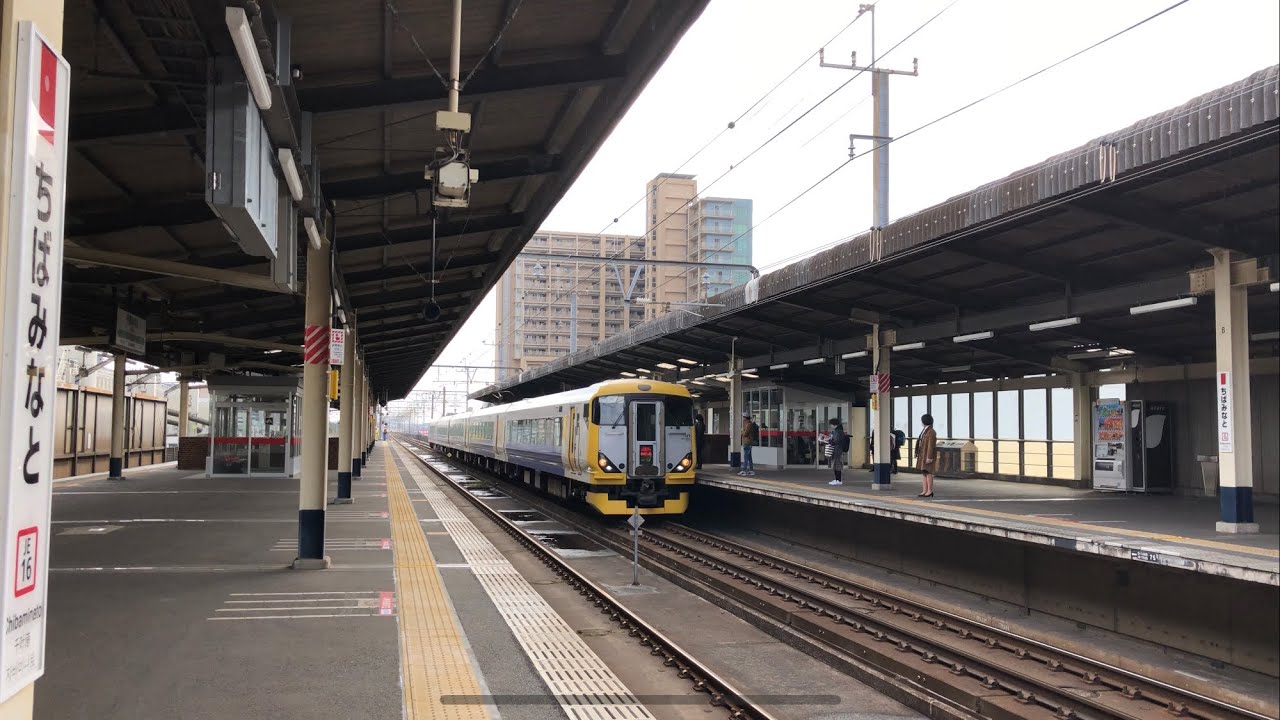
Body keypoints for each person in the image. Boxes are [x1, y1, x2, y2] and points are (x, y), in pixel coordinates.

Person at [915, 414, 938, 497]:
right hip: (922, 454)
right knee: (924, 472)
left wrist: (929, 457)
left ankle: (929, 491)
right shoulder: (925, 430)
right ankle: (924, 490)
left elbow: (931, 445)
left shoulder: (931, 431)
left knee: (928, 472)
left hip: (927, 455)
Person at [825, 417, 847, 486]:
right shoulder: (839, 430)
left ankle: (838, 480)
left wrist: (828, 440)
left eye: (831, 424)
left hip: (837, 451)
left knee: (837, 466)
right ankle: (837, 479)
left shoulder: (837, 431)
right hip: (837, 450)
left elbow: (836, 441)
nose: (830, 426)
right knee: (836, 465)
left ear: (834, 424)